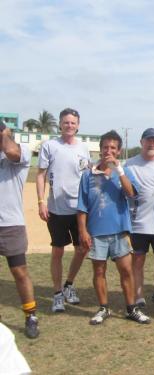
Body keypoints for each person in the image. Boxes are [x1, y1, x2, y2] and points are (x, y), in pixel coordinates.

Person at [77, 130, 150, 325]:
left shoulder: (123, 172)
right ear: (100, 150)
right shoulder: (88, 175)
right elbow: (82, 207)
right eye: (105, 147)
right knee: (99, 272)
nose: (108, 151)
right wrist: (83, 231)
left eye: (113, 148)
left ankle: (131, 308)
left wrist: (119, 171)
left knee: (126, 271)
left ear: (119, 151)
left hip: (119, 231)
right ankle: (103, 308)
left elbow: (131, 193)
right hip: (96, 232)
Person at [36, 108, 91, 312]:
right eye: (66, 122)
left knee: (82, 248)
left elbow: (88, 176)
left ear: (78, 125)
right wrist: (41, 201)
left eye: (73, 123)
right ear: (60, 124)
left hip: (79, 210)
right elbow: (41, 174)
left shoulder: (84, 148)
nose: (69, 126)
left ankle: (69, 284)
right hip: (56, 210)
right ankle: (57, 293)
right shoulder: (50, 146)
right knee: (57, 251)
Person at [125, 128, 154, 309]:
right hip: (138, 223)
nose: (151, 144)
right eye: (148, 140)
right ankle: (138, 295)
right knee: (138, 259)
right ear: (141, 142)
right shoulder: (130, 164)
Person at [0, 124, 39, 338]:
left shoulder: (19, 150)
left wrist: (3, 133)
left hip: (10, 224)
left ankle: (30, 315)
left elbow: (10, 151)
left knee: (19, 272)